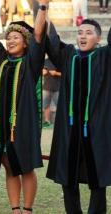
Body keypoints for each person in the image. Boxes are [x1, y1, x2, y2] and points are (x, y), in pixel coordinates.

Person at [0, 0, 48, 212]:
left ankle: (27, 209)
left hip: (23, 125)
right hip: (1, 126)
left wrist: (43, 7)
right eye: (8, 37)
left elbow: (38, 35)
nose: (10, 41)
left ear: (25, 42)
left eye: (15, 37)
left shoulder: (31, 63)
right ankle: (15, 208)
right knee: (9, 166)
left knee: (25, 167)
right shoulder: (1, 60)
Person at [46, 16, 111, 213]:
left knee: (98, 179)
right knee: (67, 178)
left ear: (98, 39)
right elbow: (52, 41)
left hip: (97, 130)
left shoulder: (105, 57)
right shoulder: (68, 57)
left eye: (89, 33)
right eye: (80, 32)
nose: (83, 36)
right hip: (69, 131)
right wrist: (44, 9)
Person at [42, 58, 60, 128]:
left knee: (59, 106)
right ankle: (47, 121)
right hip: (46, 87)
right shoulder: (45, 61)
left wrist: (56, 73)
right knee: (46, 106)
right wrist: (43, 72)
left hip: (58, 87)